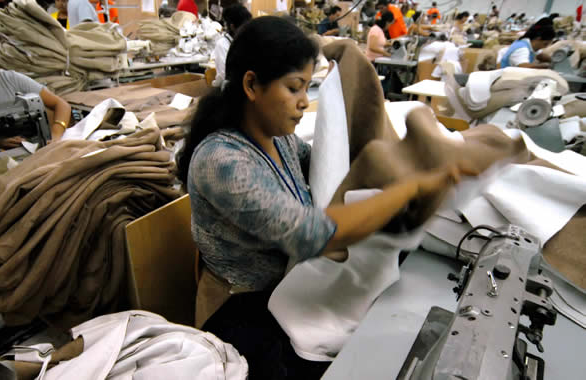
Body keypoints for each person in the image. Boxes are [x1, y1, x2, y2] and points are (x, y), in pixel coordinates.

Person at [177, 15, 474, 380]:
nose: (304, 102)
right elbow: (312, 233)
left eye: (309, 88)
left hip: (286, 285)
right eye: (294, 88)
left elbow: (329, 166)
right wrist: (408, 190)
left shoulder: (279, 138)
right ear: (252, 85)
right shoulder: (221, 161)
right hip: (240, 305)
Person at [212, 4, 252, 87]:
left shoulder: (247, 41)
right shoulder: (222, 45)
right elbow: (224, 76)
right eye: (244, 27)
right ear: (233, 27)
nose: (247, 30)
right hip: (229, 88)